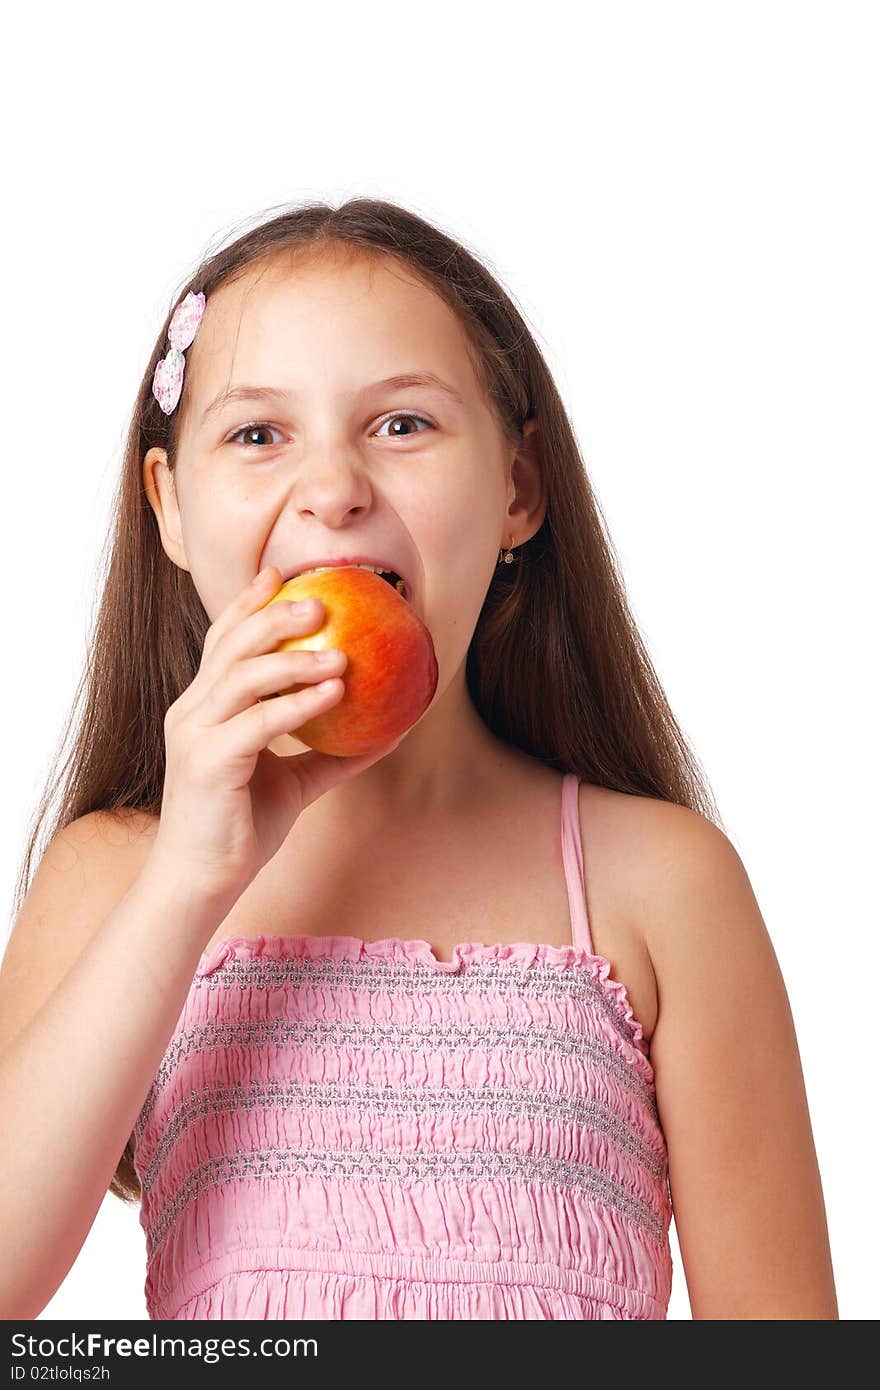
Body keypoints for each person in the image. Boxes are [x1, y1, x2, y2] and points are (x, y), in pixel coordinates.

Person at [0, 198, 837, 1321]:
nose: (334, 486)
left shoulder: (662, 882)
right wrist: (190, 875)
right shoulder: (115, 877)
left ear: (517, 490)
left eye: (401, 425)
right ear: (172, 509)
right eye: (258, 434)